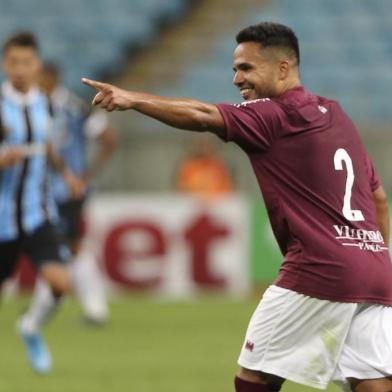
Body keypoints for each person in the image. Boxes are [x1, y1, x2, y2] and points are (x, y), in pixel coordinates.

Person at [82, 22, 392, 392]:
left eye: (246, 68)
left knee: (254, 378)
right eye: (234, 68)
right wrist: (379, 255)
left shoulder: (274, 115)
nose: (236, 78)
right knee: (372, 383)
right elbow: (379, 199)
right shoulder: (337, 114)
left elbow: (203, 115)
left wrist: (133, 99)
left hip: (320, 269)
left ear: (282, 68)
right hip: (376, 271)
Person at [0, 32, 84, 374]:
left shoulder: (48, 104)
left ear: (37, 65)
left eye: (27, 62)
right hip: (2, 218)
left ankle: (30, 326)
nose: (20, 69)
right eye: (13, 62)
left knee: (61, 283)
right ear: (6, 65)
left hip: (37, 214)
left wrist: (67, 174)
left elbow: (48, 147)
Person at [34, 62, 117, 325]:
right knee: (62, 245)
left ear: (52, 77)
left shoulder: (74, 106)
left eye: (42, 77)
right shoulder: (34, 106)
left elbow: (108, 138)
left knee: (66, 245)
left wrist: (86, 176)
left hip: (68, 191)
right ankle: (82, 307)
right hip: (42, 190)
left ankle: (89, 309)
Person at [176, 134, 234, 200]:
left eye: (207, 144)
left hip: (217, 204)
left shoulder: (220, 166)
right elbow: (182, 188)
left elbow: (228, 188)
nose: (204, 148)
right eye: (201, 144)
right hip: (193, 204)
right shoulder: (188, 166)